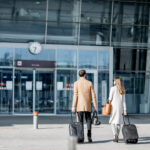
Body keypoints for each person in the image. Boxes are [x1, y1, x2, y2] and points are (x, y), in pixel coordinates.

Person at [72, 70, 97, 143]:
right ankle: (89, 137)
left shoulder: (76, 83)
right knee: (89, 121)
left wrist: (73, 106)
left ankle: (81, 137)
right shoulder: (89, 83)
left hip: (79, 106)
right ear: (85, 75)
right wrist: (95, 105)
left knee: (80, 122)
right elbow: (93, 95)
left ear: (79, 75)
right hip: (87, 105)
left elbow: (75, 95)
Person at [109, 77, 127, 143]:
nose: (113, 81)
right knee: (118, 122)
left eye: (114, 80)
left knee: (112, 122)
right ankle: (117, 136)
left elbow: (110, 98)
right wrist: (125, 110)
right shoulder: (122, 89)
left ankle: (115, 135)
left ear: (115, 82)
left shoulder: (112, 88)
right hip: (120, 108)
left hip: (113, 108)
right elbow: (124, 101)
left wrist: (108, 101)